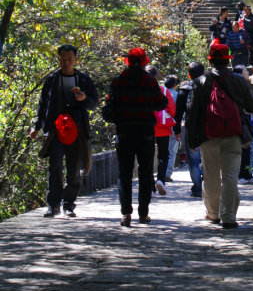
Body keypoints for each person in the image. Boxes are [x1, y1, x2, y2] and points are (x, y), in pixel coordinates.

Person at [186, 39, 253, 228]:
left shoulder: (201, 81)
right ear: (228, 61)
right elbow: (252, 106)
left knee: (210, 177)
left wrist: (191, 139)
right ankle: (228, 217)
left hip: (208, 136)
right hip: (233, 134)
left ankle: (213, 214)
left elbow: (192, 113)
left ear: (210, 62)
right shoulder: (238, 80)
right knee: (231, 176)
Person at [30, 44, 98, 218]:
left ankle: (69, 204)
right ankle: (53, 204)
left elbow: (94, 103)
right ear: (58, 59)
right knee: (55, 167)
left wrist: (84, 99)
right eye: (62, 59)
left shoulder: (83, 80)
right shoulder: (52, 79)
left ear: (76, 59)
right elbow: (43, 104)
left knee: (74, 169)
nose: (66, 62)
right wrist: (37, 127)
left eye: (69, 59)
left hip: (77, 130)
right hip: (55, 130)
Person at [107, 47, 168, 227]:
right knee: (145, 172)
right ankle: (143, 213)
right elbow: (161, 104)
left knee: (124, 173)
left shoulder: (118, 81)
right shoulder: (149, 81)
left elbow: (111, 106)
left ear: (127, 61)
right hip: (145, 132)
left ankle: (126, 213)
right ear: (144, 62)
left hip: (124, 131)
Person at [173, 62, 205, 197]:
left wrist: (177, 130)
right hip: (207, 128)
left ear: (188, 75)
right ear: (203, 74)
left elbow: (178, 113)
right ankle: (206, 184)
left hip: (190, 128)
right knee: (208, 158)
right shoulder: (209, 88)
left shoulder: (184, 90)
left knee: (193, 160)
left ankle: (197, 187)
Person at [151, 69, 176, 196]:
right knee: (163, 155)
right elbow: (172, 110)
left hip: (146, 127)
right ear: (156, 76)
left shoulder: (142, 90)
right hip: (163, 127)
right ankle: (160, 179)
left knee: (147, 156)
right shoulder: (164, 90)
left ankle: (149, 183)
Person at [233, 64, 253, 184]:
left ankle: (247, 174)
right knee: (242, 148)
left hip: (248, 121)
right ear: (240, 74)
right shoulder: (237, 86)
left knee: (247, 147)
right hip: (241, 121)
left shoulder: (246, 85)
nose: (248, 72)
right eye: (246, 71)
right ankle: (241, 174)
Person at [164, 75, 180, 182]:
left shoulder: (161, 93)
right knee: (172, 150)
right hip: (173, 125)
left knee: (162, 150)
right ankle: (167, 174)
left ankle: (161, 172)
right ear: (174, 85)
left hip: (161, 125)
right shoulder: (177, 95)